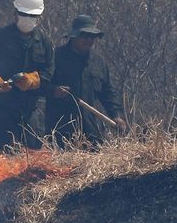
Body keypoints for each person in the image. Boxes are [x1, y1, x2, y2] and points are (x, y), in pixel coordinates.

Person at [0, 0, 55, 151]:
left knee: (32, 151)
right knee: (2, 152)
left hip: (27, 108)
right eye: (24, 14)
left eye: (32, 16)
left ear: (39, 17)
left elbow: (49, 71)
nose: (28, 19)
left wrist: (32, 80)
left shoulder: (44, 42)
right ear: (15, 13)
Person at [46, 14, 126, 147]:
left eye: (92, 37)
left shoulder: (98, 62)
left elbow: (108, 92)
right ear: (73, 36)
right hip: (61, 131)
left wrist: (116, 114)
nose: (89, 40)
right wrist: (53, 90)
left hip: (91, 131)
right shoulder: (55, 58)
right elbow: (40, 85)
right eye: (84, 36)